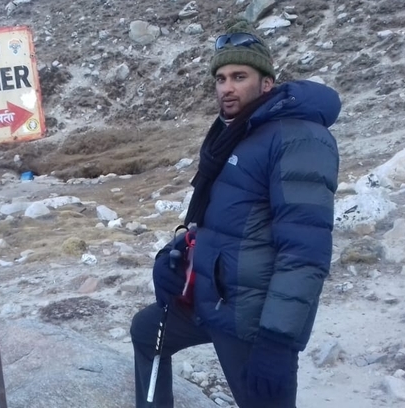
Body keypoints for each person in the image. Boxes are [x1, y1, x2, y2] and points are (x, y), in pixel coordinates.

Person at [130, 21, 340, 408]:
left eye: (239, 76)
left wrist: (277, 341)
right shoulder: (236, 132)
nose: (226, 87)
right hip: (215, 300)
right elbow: (231, 221)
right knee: (148, 332)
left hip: (254, 321)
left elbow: (305, 250)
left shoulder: (298, 137)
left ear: (266, 84)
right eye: (221, 78)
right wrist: (179, 253)